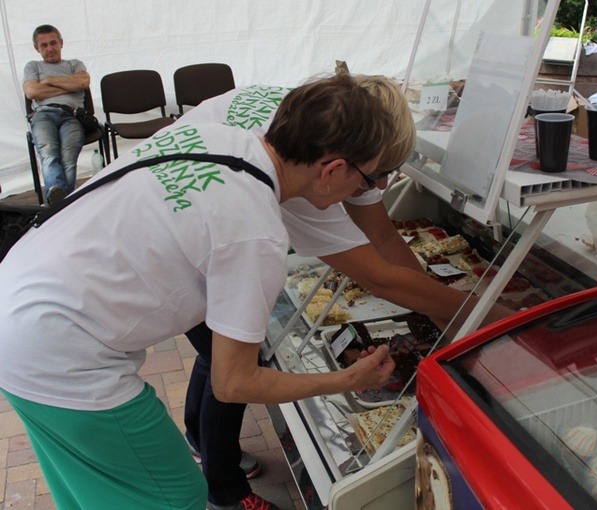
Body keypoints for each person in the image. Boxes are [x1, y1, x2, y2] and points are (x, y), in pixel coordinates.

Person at [0, 73, 398, 510]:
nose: (369, 190)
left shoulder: (211, 133)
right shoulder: (256, 232)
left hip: (17, 297)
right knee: (176, 495)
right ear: (333, 170)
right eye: (369, 178)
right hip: (59, 351)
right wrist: (347, 380)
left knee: (93, 490)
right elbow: (232, 383)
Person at [178, 76, 514, 510]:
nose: (377, 187)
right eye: (373, 176)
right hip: (189, 246)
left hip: (186, 216)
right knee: (235, 362)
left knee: (212, 352)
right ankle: (223, 488)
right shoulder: (303, 175)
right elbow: (380, 278)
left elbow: (386, 240)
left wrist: (440, 310)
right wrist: (486, 314)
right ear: (343, 163)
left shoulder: (322, 119)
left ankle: (198, 437)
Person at [23, 24, 89, 205]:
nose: (50, 48)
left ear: (61, 43)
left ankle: (55, 204)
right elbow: (32, 92)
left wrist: (49, 81)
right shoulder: (33, 66)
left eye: (53, 43)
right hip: (43, 115)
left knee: (68, 156)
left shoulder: (74, 64)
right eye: (44, 45)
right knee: (49, 153)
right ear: (37, 48)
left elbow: (82, 82)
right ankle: (65, 202)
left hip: (72, 116)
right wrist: (67, 85)